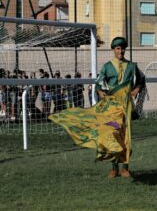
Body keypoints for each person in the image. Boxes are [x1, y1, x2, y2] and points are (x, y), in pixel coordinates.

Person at [49, 37, 145, 180]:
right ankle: (114, 168)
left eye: (122, 48)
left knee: (126, 136)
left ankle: (125, 168)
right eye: (118, 48)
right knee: (112, 133)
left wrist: (136, 89)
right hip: (111, 107)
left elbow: (141, 79)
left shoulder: (132, 66)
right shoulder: (107, 66)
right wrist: (100, 92)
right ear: (113, 50)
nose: (121, 51)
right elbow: (99, 83)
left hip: (126, 106)